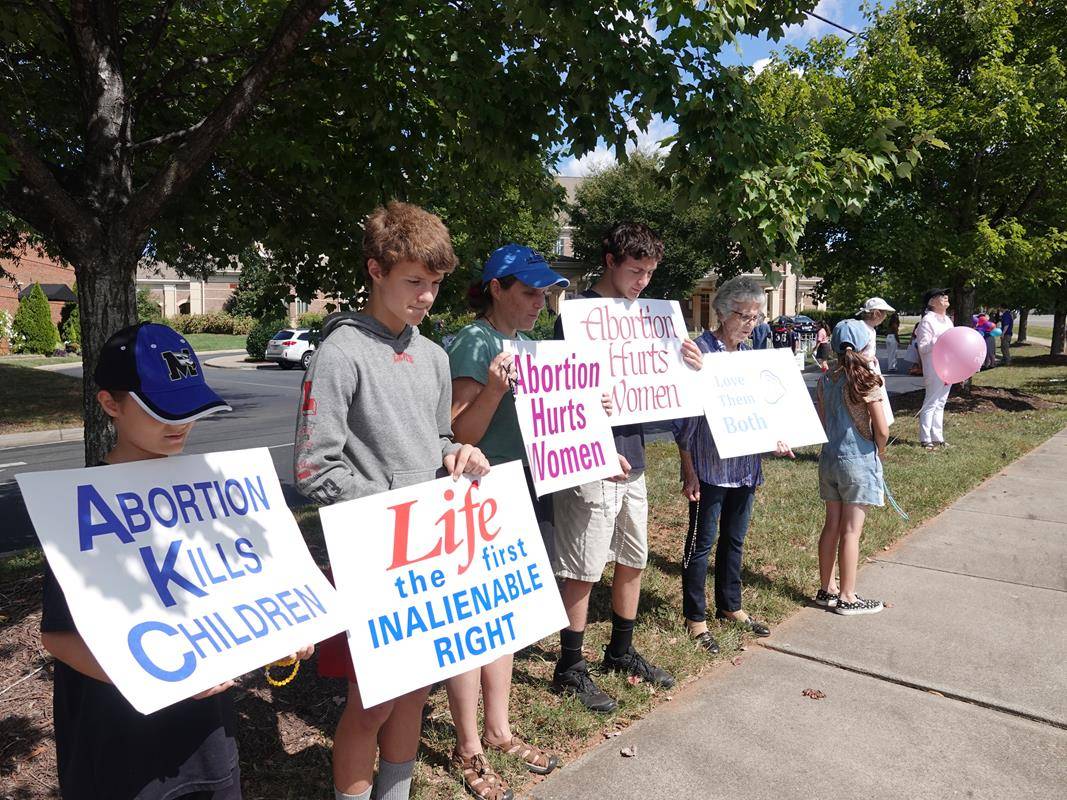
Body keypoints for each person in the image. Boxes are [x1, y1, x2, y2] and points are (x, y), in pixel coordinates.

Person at [40, 322, 314, 799]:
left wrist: (279, 632)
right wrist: (163, 678)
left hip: (207, 744)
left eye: (189, 407)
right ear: (110, 404)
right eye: (161, 410)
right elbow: (59, 637)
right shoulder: (79, 510)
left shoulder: (212, 498)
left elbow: (236, 592)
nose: (181, 423)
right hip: (122, 755)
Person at [294, 202, 490, 800]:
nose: (426, 296)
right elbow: (312, 466)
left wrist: (458, 455)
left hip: (430, 551)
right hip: (373, 551)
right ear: (376, 270)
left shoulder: (433, 356)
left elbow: (434, 439)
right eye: (414, 281)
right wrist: (392, 505)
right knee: (372, 702)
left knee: (416, 689)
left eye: (434, 284)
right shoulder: (340, 352)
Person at [550, 221, 703, 713]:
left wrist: (686, 362)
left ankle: (620, 648)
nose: (642, 282)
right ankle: (570, 665)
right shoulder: (575, 316)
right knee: (585, 565)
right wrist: (596, 437)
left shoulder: (648, 319)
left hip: (632, 456)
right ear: (610, 260)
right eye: (635, 270)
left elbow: (663, 384)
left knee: (633, 555)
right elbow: (560, 398)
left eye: (650, 273)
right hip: (591, 460)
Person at [443, 244, 568, 799]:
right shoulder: (475, 341)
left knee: (506, 616)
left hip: (524, 491)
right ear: (496, 289)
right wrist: (494, 386)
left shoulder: (532, 346)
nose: (540, 301)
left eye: (544, 292)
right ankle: (467, 744)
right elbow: (458, 432)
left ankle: (498, 730)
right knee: (473, 623)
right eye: (529, 291)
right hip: (479, 497)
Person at [674, 276, 795, 654]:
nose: (750, 324)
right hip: (709, 466)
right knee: (701, 543)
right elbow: (685, 419)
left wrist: (778, 434)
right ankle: (696, 617)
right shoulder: (697, 352)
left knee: (735, 540)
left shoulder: (750, 357)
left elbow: (762, 409)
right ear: (722, 312)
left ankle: (731, 605)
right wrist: (688, 467)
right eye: (743, 315)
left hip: (745, 466)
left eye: (756, 317)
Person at [814, 319, 889, 615]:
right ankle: (848, 596)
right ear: (865, 345)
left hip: (829, 458)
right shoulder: (865, 379)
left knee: (831, 524)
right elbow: (881, 429)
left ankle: (826, 589)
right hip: (857, 461)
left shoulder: (825, 379)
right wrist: (879, 452)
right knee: (851, 531)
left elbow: (821, 422)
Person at [914, 288, 954, 451]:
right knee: (931, 401)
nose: (945, 297)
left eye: (946, 295)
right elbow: (922, 347)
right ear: (931, 302)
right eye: (940, 296)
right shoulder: (927, 321)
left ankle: (938, 436)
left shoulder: (948, 320)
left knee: (941, 402)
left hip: (949, 366)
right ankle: (925, 438)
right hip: (934, 366)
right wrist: (939, 340)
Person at [857, 297, 895, 426]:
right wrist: (868, 359)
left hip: (870, 368)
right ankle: (875, 426)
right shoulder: (863, 329)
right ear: (877, 313)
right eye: (884, 314)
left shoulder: (870, 329)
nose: (885, 317)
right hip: (864, 370)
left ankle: (876, 425)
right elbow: (856, 354)